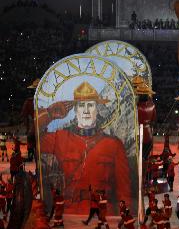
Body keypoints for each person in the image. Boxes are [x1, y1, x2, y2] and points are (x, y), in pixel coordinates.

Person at [37, 82, 132, 213]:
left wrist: (125, 218)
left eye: (91, 105)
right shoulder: (60, 138)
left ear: (97, 109)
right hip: (69, 215)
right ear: (75, 111)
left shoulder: (114, 145)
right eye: (81, 105)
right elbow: (34, 139)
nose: (86, 110)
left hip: (103, 214)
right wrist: (49, 114)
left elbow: (124, 191)